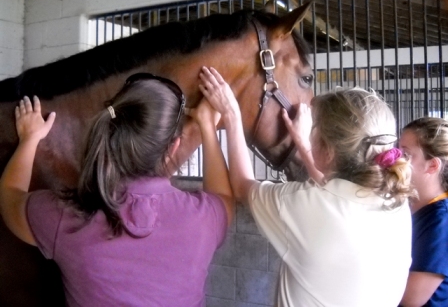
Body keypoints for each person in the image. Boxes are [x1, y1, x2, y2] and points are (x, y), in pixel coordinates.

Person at [0, 73, 233, 307]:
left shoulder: (63, 215)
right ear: (174, 148)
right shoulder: (206, 219)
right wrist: (207, 127)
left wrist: (29, 139)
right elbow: (224, 199)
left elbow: (9, 197)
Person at [198, 66, 415, 307]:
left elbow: (241, 186)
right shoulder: (394, 197)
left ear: (329, 152)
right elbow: (331, 189)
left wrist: (231, 114)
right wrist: (303, 143)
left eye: (313, 129)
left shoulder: (303, 205)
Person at [399, 117, 448, 307]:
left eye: (406, 154)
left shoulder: (441, 220)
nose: (396, 160)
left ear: (433, 165)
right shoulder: (409, 204)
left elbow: (411, 299)